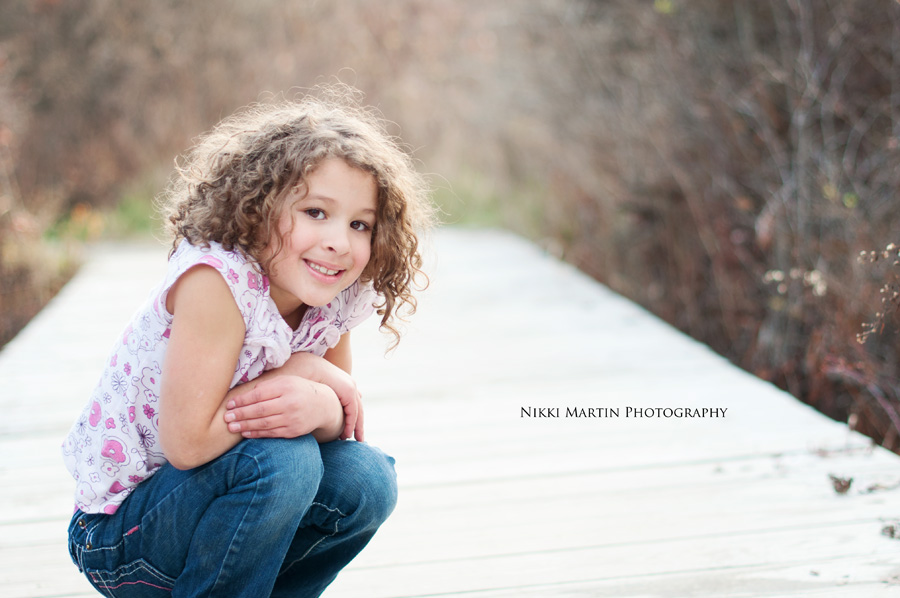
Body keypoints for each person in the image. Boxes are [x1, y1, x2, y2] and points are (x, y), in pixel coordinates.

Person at [61, 85, 434, 597]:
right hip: (122, 535)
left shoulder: (331, 296)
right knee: (281, 460)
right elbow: (188, 445)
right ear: (257, 207)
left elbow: (337, 422)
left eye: (359, 224)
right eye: (316, 213)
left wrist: (320, 401)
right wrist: (298, 373)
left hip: (219, 516)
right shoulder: (218, 283)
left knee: (365, 480)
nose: (339, 242)